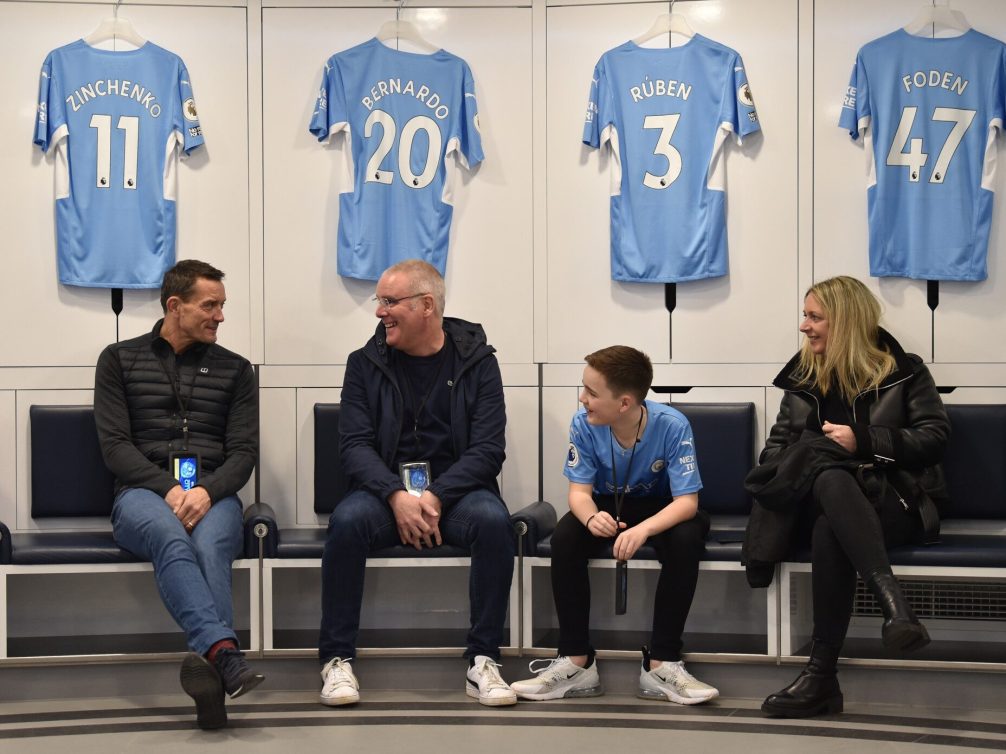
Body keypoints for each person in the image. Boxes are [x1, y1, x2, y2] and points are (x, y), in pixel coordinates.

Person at [318, 259, 517, 707]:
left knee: (493, 521)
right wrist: (395, 495)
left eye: (390, 302)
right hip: (384, 496)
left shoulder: (479, 363)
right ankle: (336, 660)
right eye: (379, 301)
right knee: (347, 523)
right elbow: (353, 446)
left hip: (457, 496)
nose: (379, 312)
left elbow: (488, 449)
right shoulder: (363, 364)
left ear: (427, 305)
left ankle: (483, 659)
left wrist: (434, 496)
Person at [749, 276, 950, 718]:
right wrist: (819, 454)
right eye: (806, 315)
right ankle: (894, 609)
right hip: (813, 499)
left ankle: (821, 679)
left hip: (892, 503)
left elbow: (934, 439)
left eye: (814, 316)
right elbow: (774, 452)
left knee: (830, 521)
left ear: (846, 321)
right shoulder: (803, 378)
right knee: (827, 478)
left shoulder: (906, 371)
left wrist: (861, 440)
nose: (804, 326)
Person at [94, 260, 264, 730]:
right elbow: (115, 447)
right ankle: (225, 654)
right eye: (210, 306)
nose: (220, 316)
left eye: (222, 306)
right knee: (171, 537)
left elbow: (244, 453)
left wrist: (207, 491)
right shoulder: (118, 359)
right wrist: (170, 488)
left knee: (211, 547)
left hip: (216, 495)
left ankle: (212, 680)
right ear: (175, 306)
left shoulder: (236, 370)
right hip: (140, 496)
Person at [512, 346, 718, 705]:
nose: (583, 398)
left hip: (662, 507)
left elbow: (687, 503)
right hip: (605, 505)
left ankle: (662, 664)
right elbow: (578, 493)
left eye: (592, 393)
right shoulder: (583, 424)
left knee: (687, 537)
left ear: (624, 403)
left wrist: (643, 530)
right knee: (566, 537)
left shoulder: (672, 425)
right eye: (583, 388)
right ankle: (576, 662)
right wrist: (591, 517)